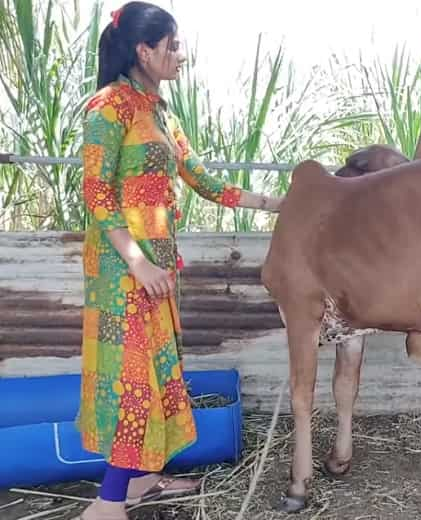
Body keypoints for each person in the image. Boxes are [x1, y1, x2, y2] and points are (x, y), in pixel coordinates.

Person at [75, 3, 283, 519]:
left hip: (158, 268)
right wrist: (137, 262)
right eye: (173, 46)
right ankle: (105, 506)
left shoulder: (159, 111)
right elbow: (98, 194)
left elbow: (204, 181)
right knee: (134, 383)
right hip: (124, 272)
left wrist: (279, 204)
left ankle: (141, 480)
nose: (181, 56)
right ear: (144, 51)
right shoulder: (108, 107)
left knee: (159, 373)